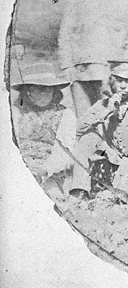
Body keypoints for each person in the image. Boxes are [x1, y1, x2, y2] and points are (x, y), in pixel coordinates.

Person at [67, 62, 128, 199]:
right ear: (112, 82)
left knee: (122, 193)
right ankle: (80, 190)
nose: (123, 85)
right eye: (119, 81)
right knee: (88, 138)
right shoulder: (102, 104)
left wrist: (127, 172)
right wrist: (106, 110)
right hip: (109, 156)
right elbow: (77, 130)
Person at [10, 62, 76, 195]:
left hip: (50, 173)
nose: (42, 93)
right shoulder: (17, 113)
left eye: (47, 88)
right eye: (36, 88)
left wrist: (44, 169)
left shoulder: (65, 115)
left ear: (54, 90)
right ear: (27, 91)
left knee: (51, 197)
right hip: (19, 168)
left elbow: (65, 152)